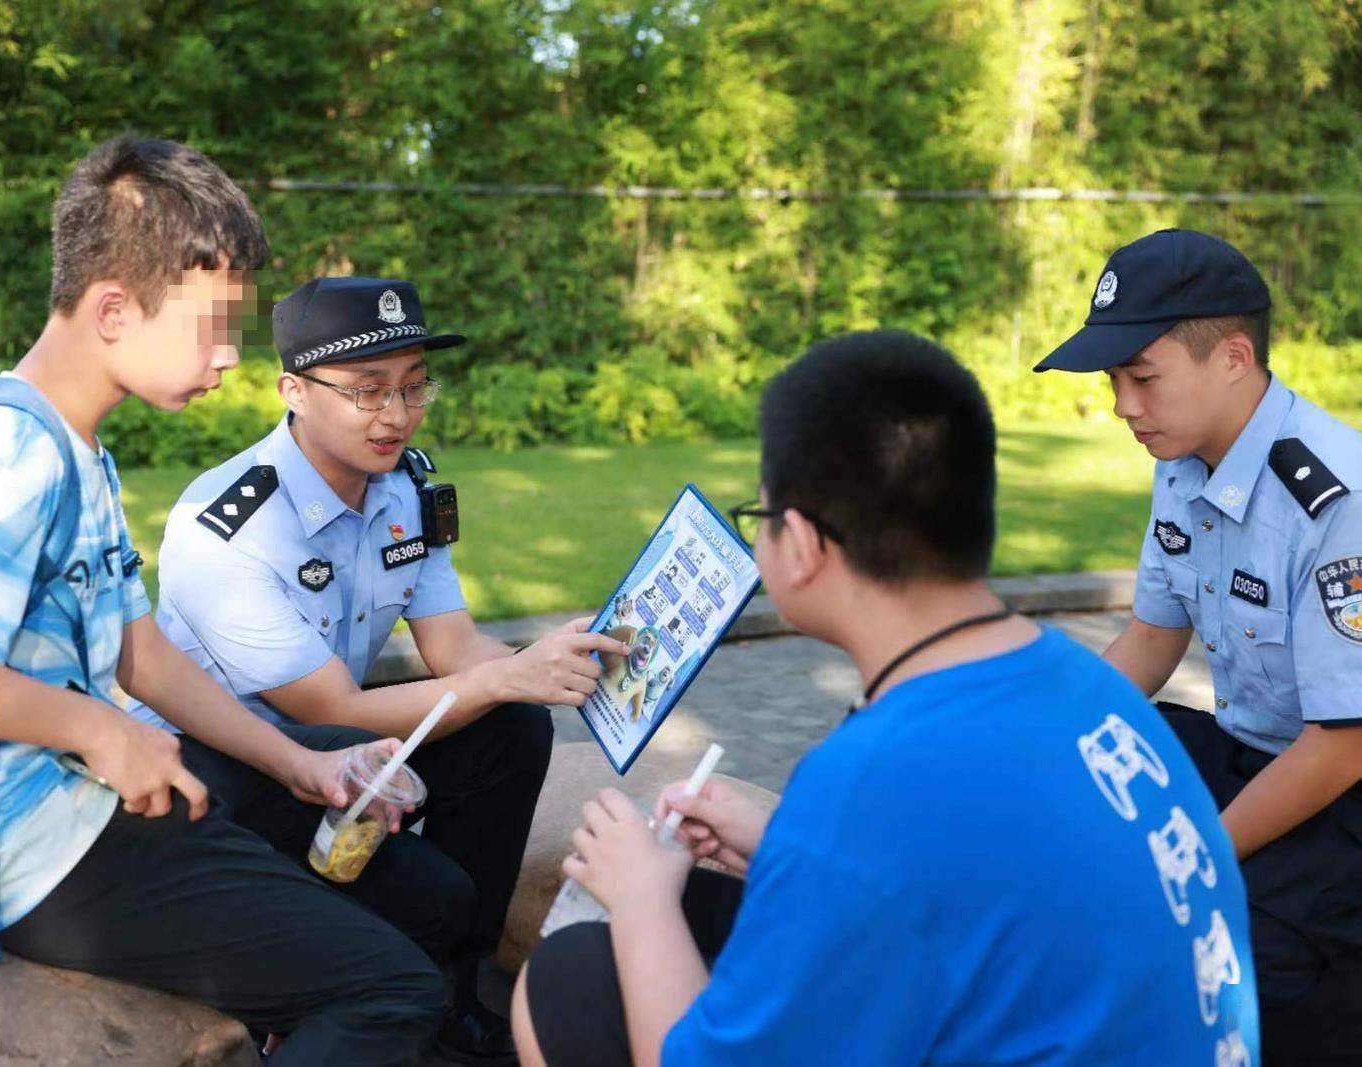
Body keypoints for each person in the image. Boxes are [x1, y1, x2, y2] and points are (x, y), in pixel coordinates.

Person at [0, 135, 462, 1065]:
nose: (229, 358)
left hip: (92, 807)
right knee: (390, 989)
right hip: (35, 854)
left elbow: (143, 657)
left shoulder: (80, 450)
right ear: (115, 309)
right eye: (213, 326)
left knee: (426, 900)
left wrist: (299, 762)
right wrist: (100, 731)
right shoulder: (8, 453)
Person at [511, 330, 1259, 1066]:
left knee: (566, 982)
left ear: (801, 544)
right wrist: (786, 848)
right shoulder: (1093, 687)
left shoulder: (871, 777)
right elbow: (968, 886)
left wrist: (640, 892)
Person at [133, 274, 628, 1061]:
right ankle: (350, 988)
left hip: (336, 742)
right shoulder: (228, 525)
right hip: (220, 765)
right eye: (367, 391)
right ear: (293, 389)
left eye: (412, 387)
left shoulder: (403, 490)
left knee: (515, 725)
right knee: (439, 894)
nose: (395, 415)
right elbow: (329, 707)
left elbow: (457, 650)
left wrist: (550, 666)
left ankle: (451, 1001)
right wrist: (506, 675)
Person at [1036, 227, 1362, 1064]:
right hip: (1251, 756)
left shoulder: (1335, 500)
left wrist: (1198, 852)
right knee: (1081, 783)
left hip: (1340, 796)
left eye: (1142, 377)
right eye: (1116, 380)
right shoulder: (1183, 465)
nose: (1121, 406)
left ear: (1232, 358)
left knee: (1184, 943)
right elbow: (1151, 638)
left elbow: (1341, 746)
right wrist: (1034, 749)